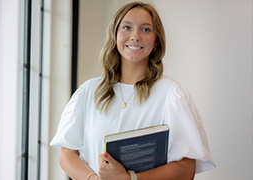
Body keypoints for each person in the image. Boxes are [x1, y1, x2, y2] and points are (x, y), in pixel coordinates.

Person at [50, 1, 215, 180]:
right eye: (127, 27)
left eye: (146, 29)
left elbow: (186, 168)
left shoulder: (172, 95)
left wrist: (130, 179)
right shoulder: (89, 92)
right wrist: (93, 179)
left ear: (156, 42)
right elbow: (67, 153)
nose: (135, 36)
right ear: (115, 35)